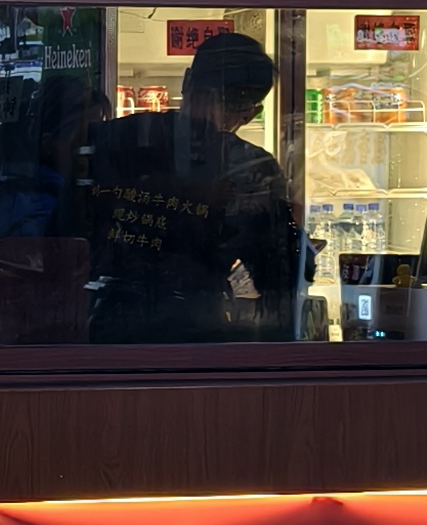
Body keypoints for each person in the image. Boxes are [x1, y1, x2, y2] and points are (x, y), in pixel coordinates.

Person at [79, 28, 298, 340]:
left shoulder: (112, 139)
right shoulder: (252, 168)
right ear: (251, 113)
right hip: (199, 328)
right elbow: (279, 277)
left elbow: (67, 229)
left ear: (187, 81)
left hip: (107, 322)